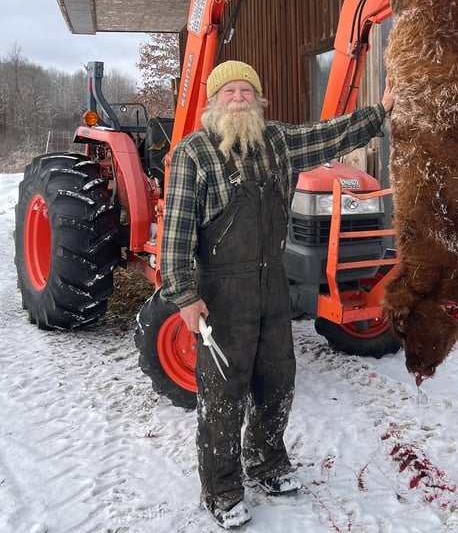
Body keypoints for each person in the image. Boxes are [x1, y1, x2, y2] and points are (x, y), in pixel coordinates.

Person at [160, 59, 393, 529]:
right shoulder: (194, 153)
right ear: (213, 101)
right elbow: (177, 233)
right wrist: (184, 296)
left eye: (247, 91)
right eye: (229, 92)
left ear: (259, 100)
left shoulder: (277, 142)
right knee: (223, 394)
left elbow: (329, 135)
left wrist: (380, 111)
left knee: (277, 380)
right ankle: (222, 488)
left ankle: (266, 462)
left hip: (272, 285)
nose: (239, 99)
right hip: (222, 292)